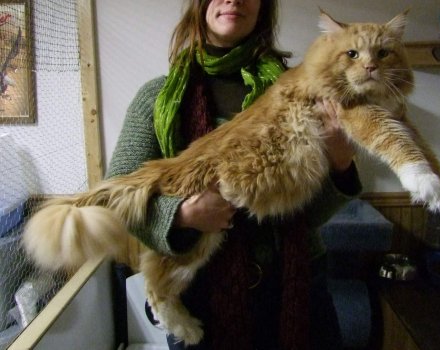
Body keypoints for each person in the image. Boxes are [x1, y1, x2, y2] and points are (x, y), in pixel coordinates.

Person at [107, 0, 362, 349]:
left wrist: (341, 164)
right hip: (202, 294)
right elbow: (118, 198)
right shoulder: (157, 98)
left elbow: (308, 213)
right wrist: (180, 217)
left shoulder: (302, 88)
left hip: (298, 287)